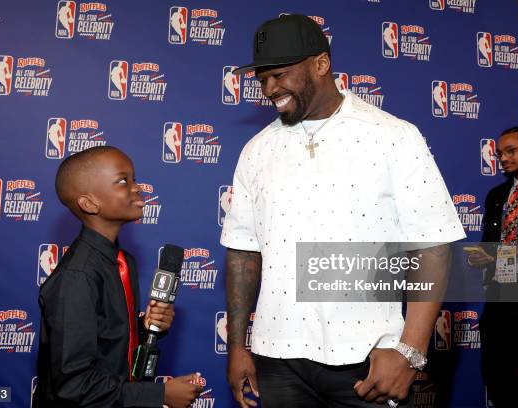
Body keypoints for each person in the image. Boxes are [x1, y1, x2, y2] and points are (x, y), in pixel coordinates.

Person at [221, 14, 465, 408]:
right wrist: (238, 346)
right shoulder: (256, 151)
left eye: (280, 75)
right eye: (262, 79)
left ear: (321, 64)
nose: (269, 89)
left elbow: (433, 247)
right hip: (277, 358)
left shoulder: (392, 136)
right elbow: (242, 251)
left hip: (370, 360)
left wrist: (410, 352)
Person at [34, 146, 202, 407]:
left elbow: (110, 346)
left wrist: (146, 329)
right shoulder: (77, 277)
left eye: (134, 178)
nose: (137, 187)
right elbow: (73, 385)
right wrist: (160, 395)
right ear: (89, 203)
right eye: (123, 181)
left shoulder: (123, 262)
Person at [467, 127, 518, 406]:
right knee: (495, 371)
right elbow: (490, 243)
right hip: (501, 293)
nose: (503, 158)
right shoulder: (497, 195)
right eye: (500, 153)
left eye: (510, 151)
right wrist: (481, 256)